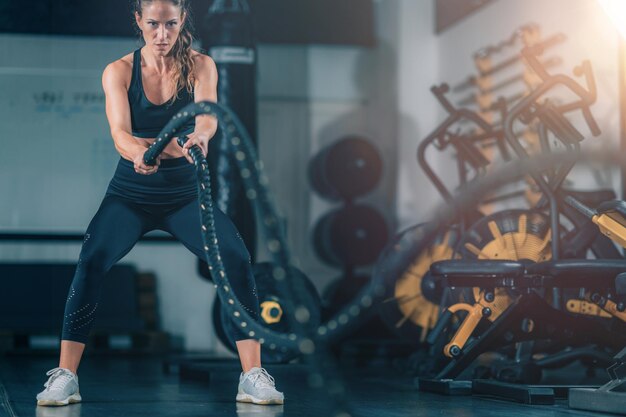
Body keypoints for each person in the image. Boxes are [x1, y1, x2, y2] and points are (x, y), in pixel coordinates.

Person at [36, 0, 283, 407]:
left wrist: (201, 136)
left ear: (182, 20)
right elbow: (119, 133)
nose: (162, 35)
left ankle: (252, 375)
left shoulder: (202, 65)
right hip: (131, 194)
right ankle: (66, 376)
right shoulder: (118, 71)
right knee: (92, 260)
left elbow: (207, 117)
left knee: (237, 258)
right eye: (153, 24)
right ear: (139, 21)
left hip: (185, 197)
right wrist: (140, 150)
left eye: (170, 24)